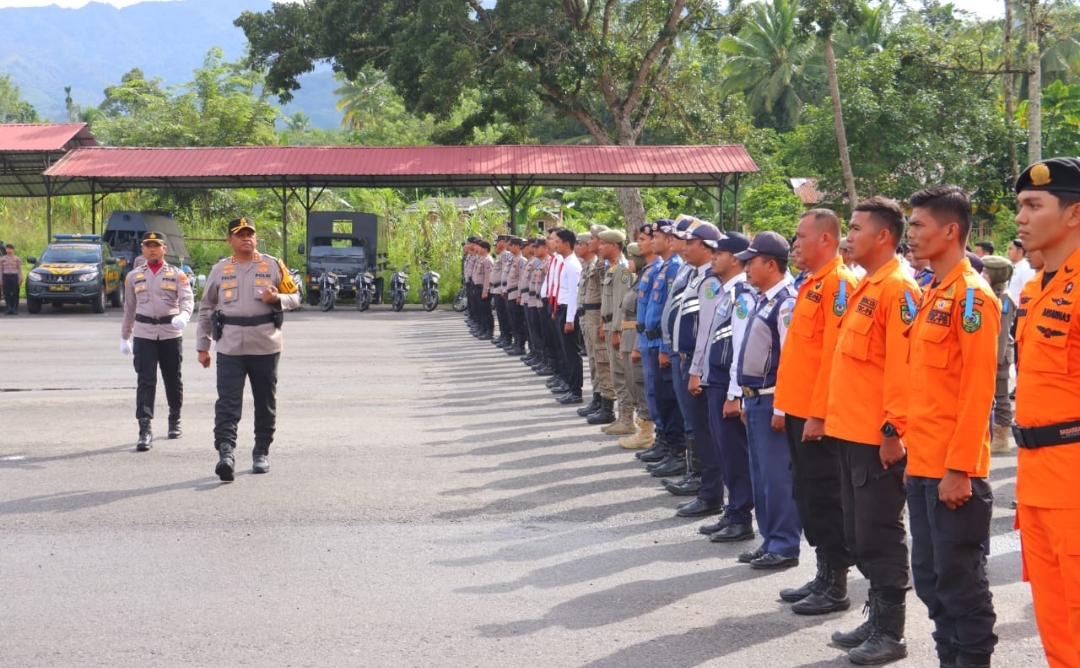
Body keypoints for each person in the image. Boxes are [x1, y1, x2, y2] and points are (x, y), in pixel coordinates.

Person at [904, 186, 999, 668]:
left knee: (961, 583)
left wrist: (960, 467)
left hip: (952, 471)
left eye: (919, 225)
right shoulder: (931, 292)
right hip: (921, 463)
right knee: (930, 578)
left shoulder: (972, 298)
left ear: (950, 231)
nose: (911, 234)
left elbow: (979, 391)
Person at [825, 198, 919, 665]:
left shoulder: (898, 288)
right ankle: (876, 617)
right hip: (851, 432)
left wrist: (892, 431)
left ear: (883, 236)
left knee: (879, 533)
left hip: (876, 438)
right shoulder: (868, 285)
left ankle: (891, 632)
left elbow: (903, 371)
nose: (849, 236)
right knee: (858, 532)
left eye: (857, 228)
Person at [1012, 157, 1080, 668]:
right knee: (1054, 620)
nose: (1021, 217)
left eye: (1035, 205)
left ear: (1074, 214)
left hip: (1074, 481)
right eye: (1020, 206)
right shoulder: (1037, 289)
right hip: (1037, 479)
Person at [775, 208, 857, 614]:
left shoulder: (839, 285)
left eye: (800, 237)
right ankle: (824, 572)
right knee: (807, 495)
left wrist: (820, 413)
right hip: (797, 409)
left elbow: (833, 357)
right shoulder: (812, 284)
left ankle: (836, 583)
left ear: (826, 240)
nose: (794, 245)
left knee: (826, 497)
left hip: (816, 416)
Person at [196, 217, 301, 481]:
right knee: (227, 403)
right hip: (230, 346)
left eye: (250, 234)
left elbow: (297, 297)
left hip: (265, 345)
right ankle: (226, 453)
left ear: (255, 237)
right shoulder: (220, 270)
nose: (246, 238)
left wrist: (277, 298)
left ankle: (261, 451)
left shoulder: (273, 265)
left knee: (265, 402)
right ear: (229, 240)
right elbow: (206, 308)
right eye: (239, 234)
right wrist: (203, 345)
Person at [735, 231, 802, 571]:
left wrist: (781, 407)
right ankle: (769, 539)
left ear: (771, 264)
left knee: (778, 478)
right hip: (755, 399)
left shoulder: (788, 302)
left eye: (752, 262)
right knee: (761, 476)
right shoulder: (764, 299)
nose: (746, 267)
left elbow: (790, 358)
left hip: (773, 398)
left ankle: (785, 544)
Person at [698, 231, 756, 543]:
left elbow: (741, 348)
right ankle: (732, 510)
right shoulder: (726, 291)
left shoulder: (742, 295)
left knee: (734, 454)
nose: (713, 257)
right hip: (717, 382)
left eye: (718, 253)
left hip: (728, 386)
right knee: (724, 451)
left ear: (734, 258)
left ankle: (741, 516)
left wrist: (735, 393)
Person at [120, 232, 195, 450]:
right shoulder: (133, 276)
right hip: (144, 334)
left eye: (157, 245)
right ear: (142, 249)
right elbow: (130, 308)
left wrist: (184, 316)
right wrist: (125, 336)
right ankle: (145, 428)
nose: (152, 249)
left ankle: (174, 418)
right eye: (148, 246)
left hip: (170, 332)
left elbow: (187, 298)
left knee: (173, 378)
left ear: (165, 249)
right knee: (145, 380)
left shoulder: (177, 274)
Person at [617, 241, 655, 449]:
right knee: (632, 383)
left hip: (637, 337)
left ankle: (647, 432)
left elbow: (646, 315)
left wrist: (637, 346)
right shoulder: (636, 280)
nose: (629, 261)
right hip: (629, 335)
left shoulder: (644, 281)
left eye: (632, 258)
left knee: (640, 385)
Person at [599, 229, 635, 433]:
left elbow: (621, 304)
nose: (600, 247)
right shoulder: (613, 268)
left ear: (614, 246)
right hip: (608, 325)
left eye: (604, 244)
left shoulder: (621, 270)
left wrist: (616, 331)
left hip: (616, 328)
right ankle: (623, 417)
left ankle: (628, 420)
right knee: (615, 374)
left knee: (621, 375)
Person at [981, 254, 1015, 454]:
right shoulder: (992, 293)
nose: (982, 274)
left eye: (986, 271)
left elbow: (1001, 335)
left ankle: (1001, 439)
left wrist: (993, 361)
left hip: (999, 357)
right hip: (992, 352)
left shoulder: (1004, 298)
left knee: (1001, 397)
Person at [577, 227, 608, 419]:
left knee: (601, 359)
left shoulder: (604, 266)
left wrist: (605, 321)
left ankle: (605, 402)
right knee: (593, 358)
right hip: (588, 315)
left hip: (598, 316)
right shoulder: (591, 265)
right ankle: (597, 397)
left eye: (593, 239)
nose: (588, 243)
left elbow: (607, 296)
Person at [553, 228, 583, 404]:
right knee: (566, 352)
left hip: (568, 312)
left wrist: (570, 319)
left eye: (557, 242)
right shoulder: (566, 263)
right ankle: (571, 387)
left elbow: (574, 294)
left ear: (566, 244)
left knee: (571, 354)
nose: (555, 245)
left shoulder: (572, 266)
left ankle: (575, 391)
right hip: (563, 310)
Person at [1, 243, 23, 315]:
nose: (9, 250)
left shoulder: (17, 259)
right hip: (6, 276)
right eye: (7, 249)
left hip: (14, 276)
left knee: (15, 293)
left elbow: (19, 269)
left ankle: (15, 308)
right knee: (6, 293)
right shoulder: (2, 259)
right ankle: (9, 308)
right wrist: (0, 279)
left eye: (10, 249)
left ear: (13, 250)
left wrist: (20, 278)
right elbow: (1, 270)